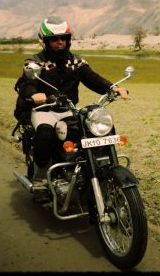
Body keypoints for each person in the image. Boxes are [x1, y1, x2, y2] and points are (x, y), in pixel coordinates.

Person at [15, 17, 128, 189]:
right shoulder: (35, 62)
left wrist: (113, 88)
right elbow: (26, 83)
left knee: (97, 127)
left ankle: (102, 166)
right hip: (44, 110)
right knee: (45, 133)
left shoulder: (76, 61)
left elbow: (93, 78)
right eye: (54, 39)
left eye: (63, 38)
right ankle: (41, 176)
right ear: (45, 41)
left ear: (68, 40)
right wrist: (34, 94)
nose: (59, 42)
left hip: (69, 110)